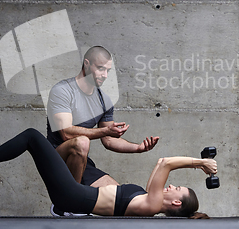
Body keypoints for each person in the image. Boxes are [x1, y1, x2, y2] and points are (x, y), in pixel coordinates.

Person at [0, 128, 216, 218]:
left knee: (31, 137)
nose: (170, 186)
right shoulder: (147, 198)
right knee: (74, 149)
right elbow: (160, 165)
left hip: (72, 197)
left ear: (176, 203)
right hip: (80, 192)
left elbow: (166, 162)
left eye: (176, 189)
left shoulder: (153, 204)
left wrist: (200, 163)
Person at [46, 46, 159, 191]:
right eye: (100, 68)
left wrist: (138, 148)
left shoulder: (103, 100)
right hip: (55, 158)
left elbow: (109, 140)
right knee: (82, 142)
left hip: (81, 161)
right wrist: (105, 131)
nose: (105, 75)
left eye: (108, 70)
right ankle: (67, 205)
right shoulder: (63, 90)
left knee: (119, 197)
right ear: (86, 64)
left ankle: (73, 201)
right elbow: (67, 133)